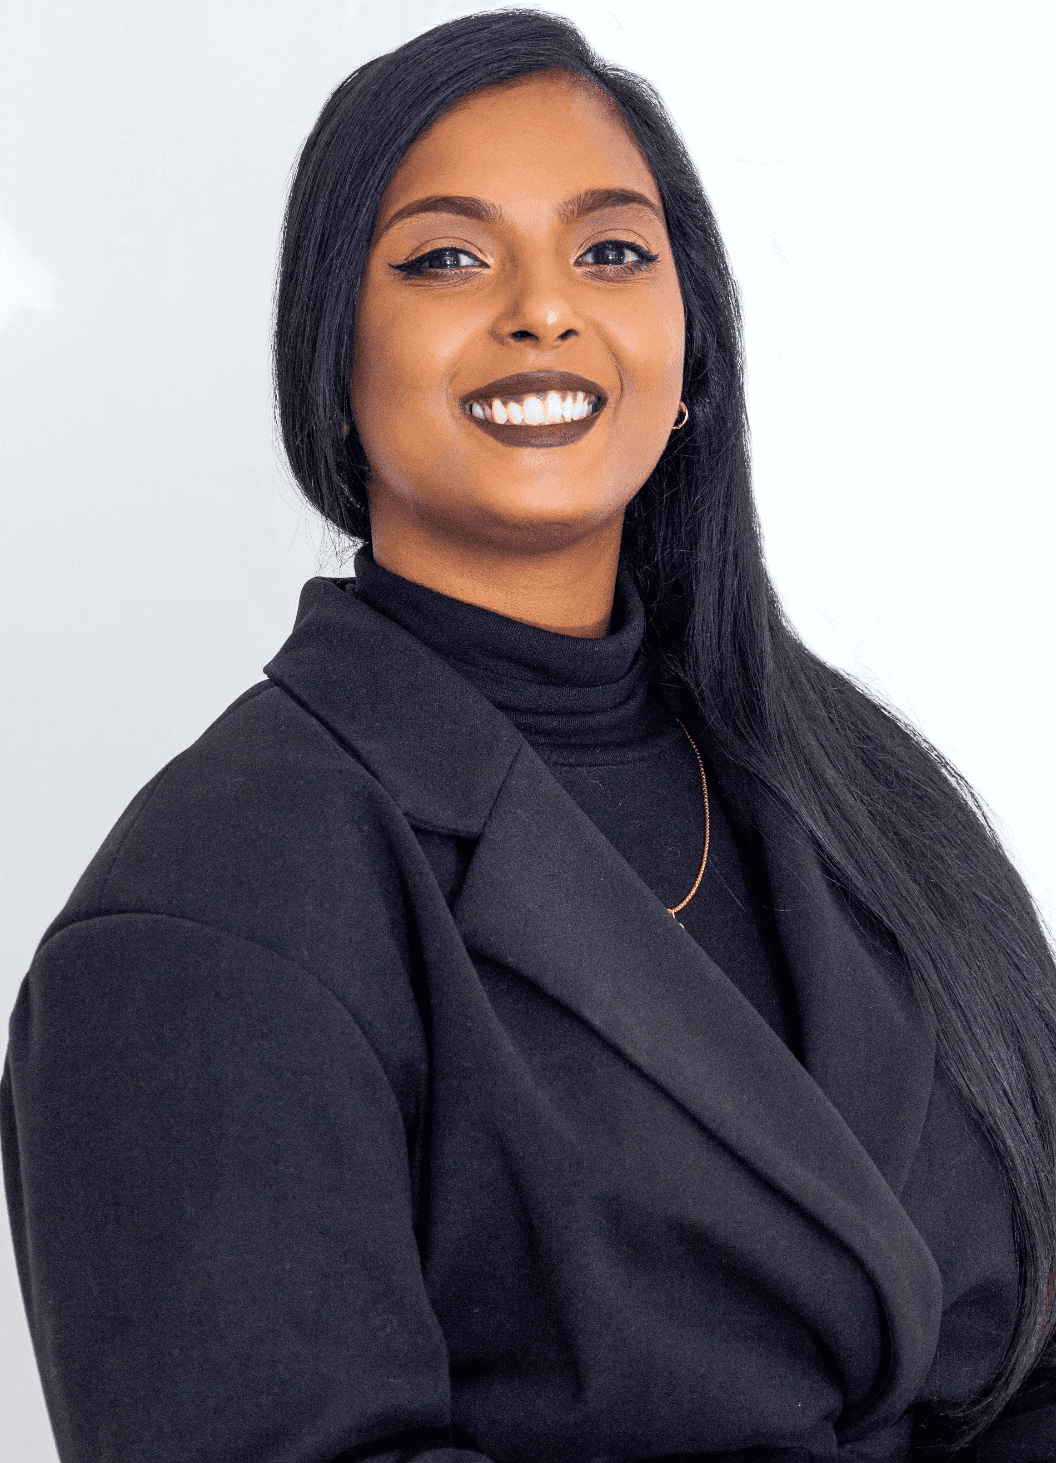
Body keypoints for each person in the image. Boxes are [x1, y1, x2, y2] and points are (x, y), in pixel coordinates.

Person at [3, 10, 1056, 1462]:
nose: (543, 308)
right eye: (448, 256)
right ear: (331, 359)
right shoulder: (208, 907)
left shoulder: (866, 800)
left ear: (691, 354)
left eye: (612, 250)